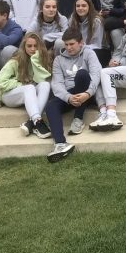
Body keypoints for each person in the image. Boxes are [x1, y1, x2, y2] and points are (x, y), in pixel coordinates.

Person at [45, 28, 101, 162]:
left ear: (81, 43)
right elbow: (57, 84)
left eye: (72, 44)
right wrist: (68, 97)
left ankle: (78, 118)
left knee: (82, 74)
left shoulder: (89, 54)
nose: (68, 48)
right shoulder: (58, 59)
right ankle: (60, 144)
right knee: (51, 106)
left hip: (87, 92)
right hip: (70, 95)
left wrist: (87, 94)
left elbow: (96, 76)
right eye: (66, 44)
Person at [0, 32, 51, 138]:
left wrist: (35, 61)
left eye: (36, 46)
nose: (32, 49)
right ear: (24, 46)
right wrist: (21, 83)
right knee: (29, 87)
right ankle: (38, 122)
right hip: (8, 95)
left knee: (45, 84)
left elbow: (42, 79)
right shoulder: (15, 61)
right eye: (29, 46)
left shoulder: (40, 60)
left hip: (28, 94)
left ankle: (32, 123)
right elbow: (1, 84)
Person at [68, 0, 110, 67]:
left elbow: (97, 45)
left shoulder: (96, 21)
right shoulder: (72, 19)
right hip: (80, 48)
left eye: (84, 6)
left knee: (87, 53)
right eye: (78, 6)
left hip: (99, 51)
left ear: (89, 7)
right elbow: (69, 37)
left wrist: (79, 47)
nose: (80, 8)